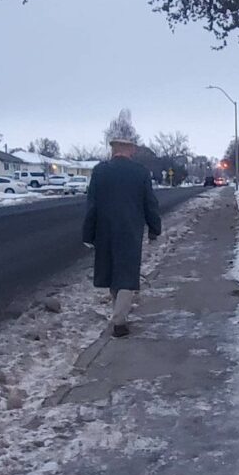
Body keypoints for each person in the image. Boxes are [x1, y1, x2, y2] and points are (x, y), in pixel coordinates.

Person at [82, 138, 162, 337]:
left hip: (105, 229)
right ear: (130, 150)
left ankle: (118, 314)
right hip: (130, 229)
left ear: (114, 150)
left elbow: (91, 204)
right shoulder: (140, 172)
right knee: (127, 274)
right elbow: (149, 203)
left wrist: (88, 233)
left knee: (111, 272)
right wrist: (154, 228)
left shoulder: (100, 171)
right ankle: (119, 320)